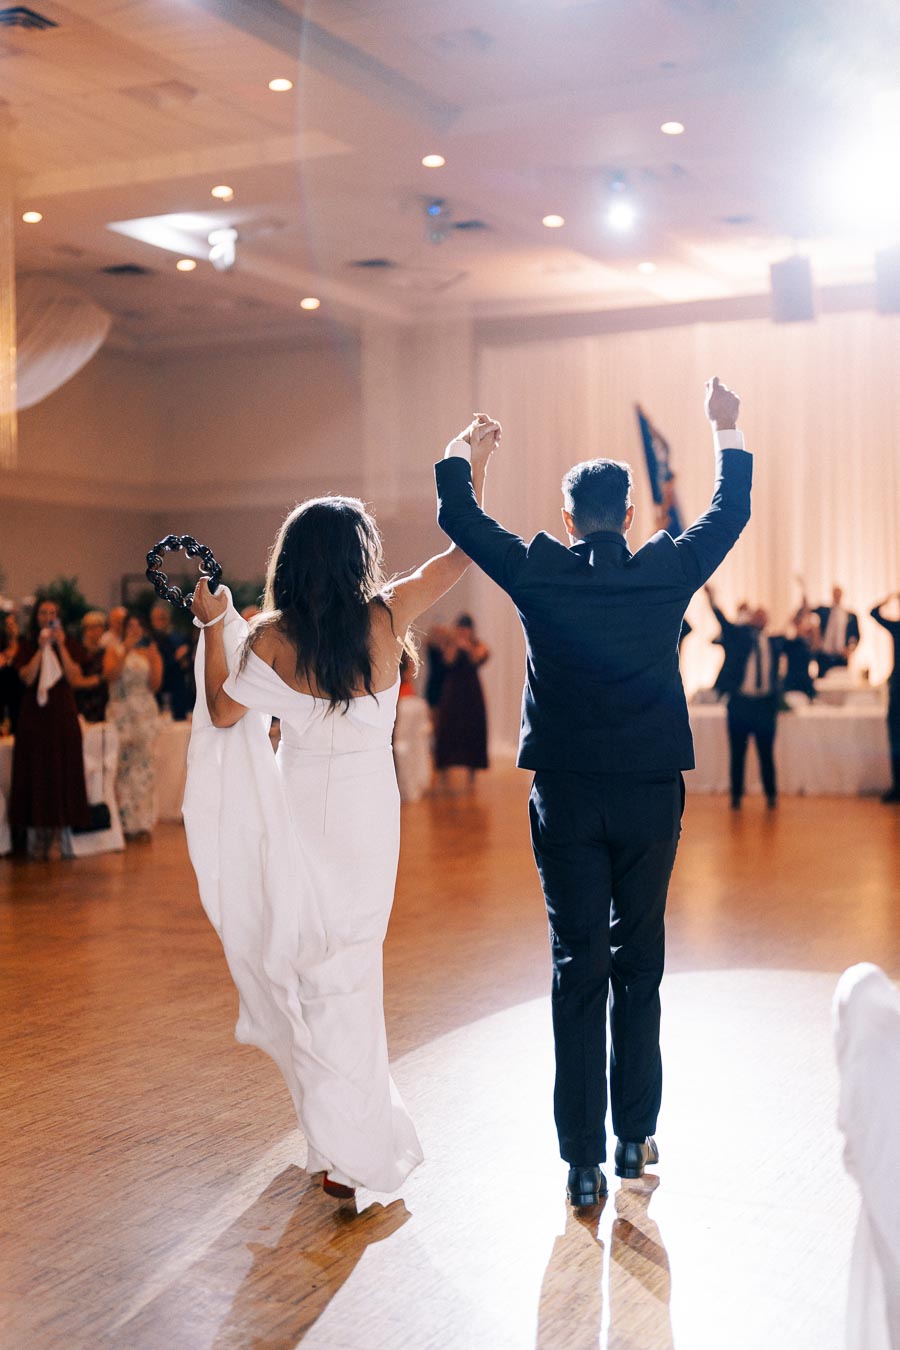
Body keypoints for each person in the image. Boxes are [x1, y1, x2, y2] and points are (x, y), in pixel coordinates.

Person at [434, 378, 751, 1208]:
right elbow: (732, 510)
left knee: (578, 966)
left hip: (568, 798)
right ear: (634, 513)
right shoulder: (666, 570)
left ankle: (580, 1161)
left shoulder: (543, 572)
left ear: (569, 518)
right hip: (650, 796)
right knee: (638, 962)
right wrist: (725, 425)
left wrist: (468, 452)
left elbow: (459, 519)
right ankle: (632, 1137)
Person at [188, 424, 494, 1202]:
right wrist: (469, 462)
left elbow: (223, 718)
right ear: (356, 559)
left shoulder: (270, 638)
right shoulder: (386, 619)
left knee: (306, 971)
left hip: (299, 810)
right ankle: (348, 1152)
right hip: (365, 817)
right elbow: (463, 553)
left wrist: (211, 626)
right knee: (350, 976)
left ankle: (340, 1144)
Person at [8, 597, 90, 859]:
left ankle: (58, 833)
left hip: (62, 715)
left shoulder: (68, 643)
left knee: (61, 769)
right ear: (37, 617)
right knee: (36, 770)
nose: (48, 617)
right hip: (35, 717)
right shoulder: (27, 645)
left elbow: (74, 676)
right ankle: (35, 834)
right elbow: (27, 677)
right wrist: (41, 649)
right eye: (43, 613)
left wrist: (61, 646)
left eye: (53, 612)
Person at [705, 591, 782, 809]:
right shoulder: (740, 637)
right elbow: (723, 623)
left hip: (765, 705)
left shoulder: (774, 642)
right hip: (741, 704)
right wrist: (712, 600)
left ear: (767, 620)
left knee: (766, 753)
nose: (759, 618)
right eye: (755, 615)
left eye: (762, 615)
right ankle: (736, 796)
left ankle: (771, 795)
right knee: (737, 753)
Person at [106, 611, 162, 838]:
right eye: (131, 625)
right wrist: (126, 650)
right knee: (122, 767)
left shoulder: (150, 651)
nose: (134, 629)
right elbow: (109, 676)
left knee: (144, 767)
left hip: (145, 712)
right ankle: (123, 821)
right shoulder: (114, 650)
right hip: (121, 711)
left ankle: (142, 821)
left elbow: (155, 685)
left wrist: (153, 659)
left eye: (139, 626)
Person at [433, 613, 490, 791]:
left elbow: (480, 658)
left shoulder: (478, 644)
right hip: (453, 692)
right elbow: (447, 661)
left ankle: (472, 771)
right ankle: (443, 770)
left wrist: (467, 647)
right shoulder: (451, 644)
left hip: (471, 693)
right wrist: (455, 645)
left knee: (473, 729)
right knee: (447, 728)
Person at [870, 593, 900, 804]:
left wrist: (890, 599)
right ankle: (897, 786)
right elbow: (873, 613)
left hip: (897, 688)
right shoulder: (897, 628)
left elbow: (874, 613)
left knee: (896, 738)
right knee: (895, 739)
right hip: (897, 689)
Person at [149, 602, 192, 720]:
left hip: (177, 692)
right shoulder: (148, 641)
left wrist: (183, 659)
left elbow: (187, 665)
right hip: (156, 691)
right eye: (157, 619)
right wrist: (175, 658)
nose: (160, 622)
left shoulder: (180, 638)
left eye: (162, 618)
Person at [73, 610, 116, 723]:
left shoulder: (105, 652)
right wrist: (100, 679)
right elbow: (75, 681)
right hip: (82, 704)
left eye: (99, 627)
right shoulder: (78, 652)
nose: (96, 631)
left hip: (102, 704)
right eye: (92, 627)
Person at [815, 585, 859, 676]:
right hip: (824, 655)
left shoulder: (850, 615)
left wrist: (850, 650)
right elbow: (807, 611)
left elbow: (857, 636)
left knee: (841, 681)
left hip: (841, 656)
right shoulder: (824, 611)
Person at [0, 609, 23, 734]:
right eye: (8, 625)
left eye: (13, 624)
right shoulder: (3, 648)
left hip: (17, 698)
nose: (11, 628)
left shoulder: (23, 646)